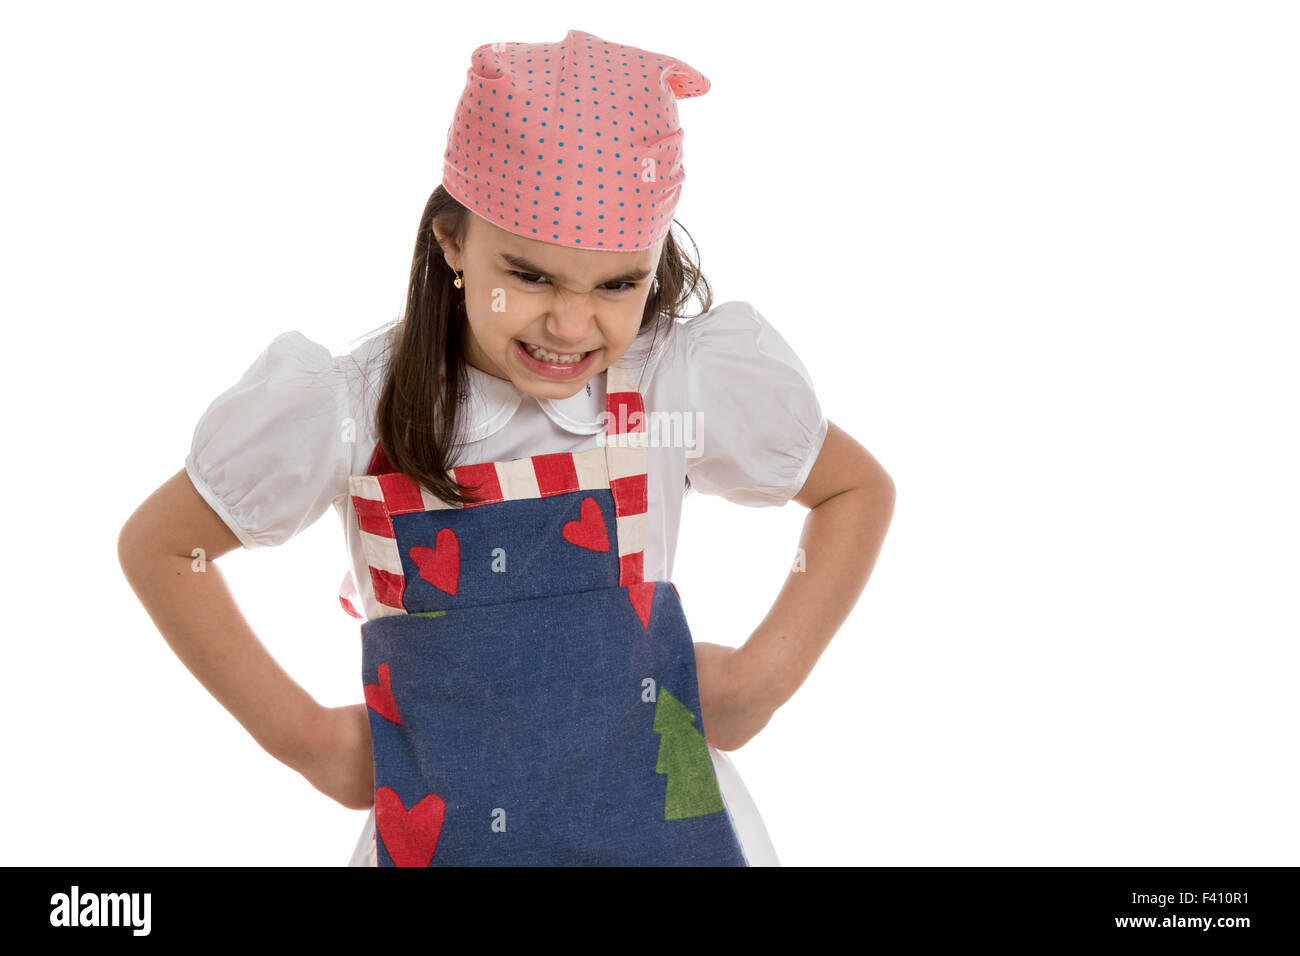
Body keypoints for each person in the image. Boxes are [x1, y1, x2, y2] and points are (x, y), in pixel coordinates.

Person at [118, 28, 895, 866]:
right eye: (528, 276)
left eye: (617, 285)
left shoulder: (675, 382)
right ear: (452, 241)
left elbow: (855, 490)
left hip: (661, 827)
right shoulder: (354, 408)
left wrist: (761, 683)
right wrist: (307, 740)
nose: (570, 325)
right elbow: (166, 546)